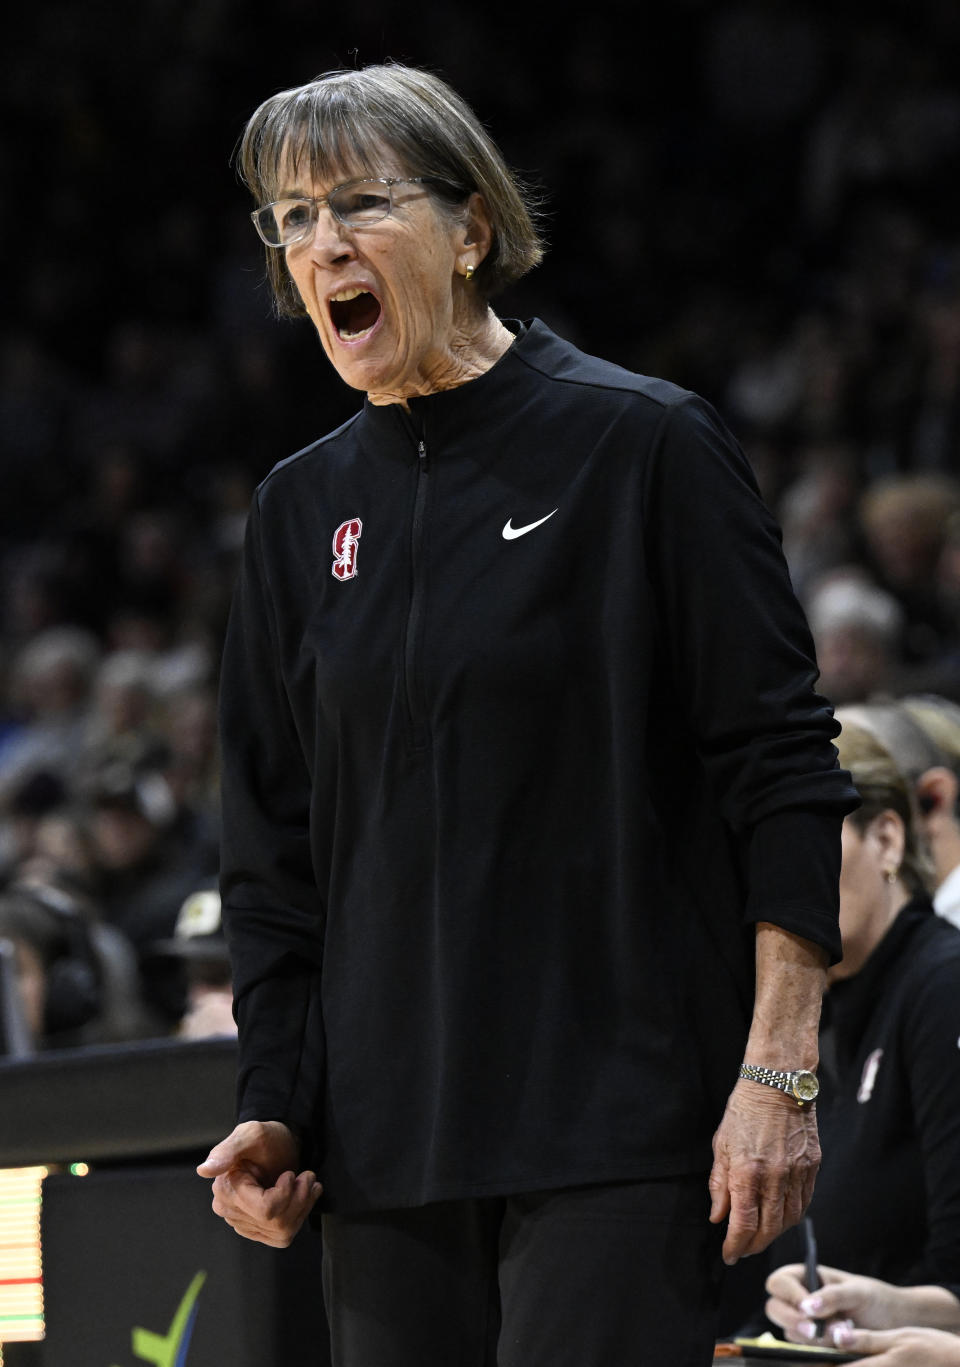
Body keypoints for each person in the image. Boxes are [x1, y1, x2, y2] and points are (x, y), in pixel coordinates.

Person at [197, 62, 858, 1367]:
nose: (320, 244)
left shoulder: (645, 444)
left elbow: (780, 768)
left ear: (472, 228)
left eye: (358, 203)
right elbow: (274, 852)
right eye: (292, 217)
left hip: (623, 1129)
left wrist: (776, 1071)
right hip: (389, 1156)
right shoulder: (295, 510)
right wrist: (278, 1099)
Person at [755, 720, 960, 1351]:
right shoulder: (820, 1009)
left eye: (807, 845)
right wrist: (819, 1300)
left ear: (888, 838)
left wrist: (888, 1304)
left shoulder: (942, 986)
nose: (782, 882)